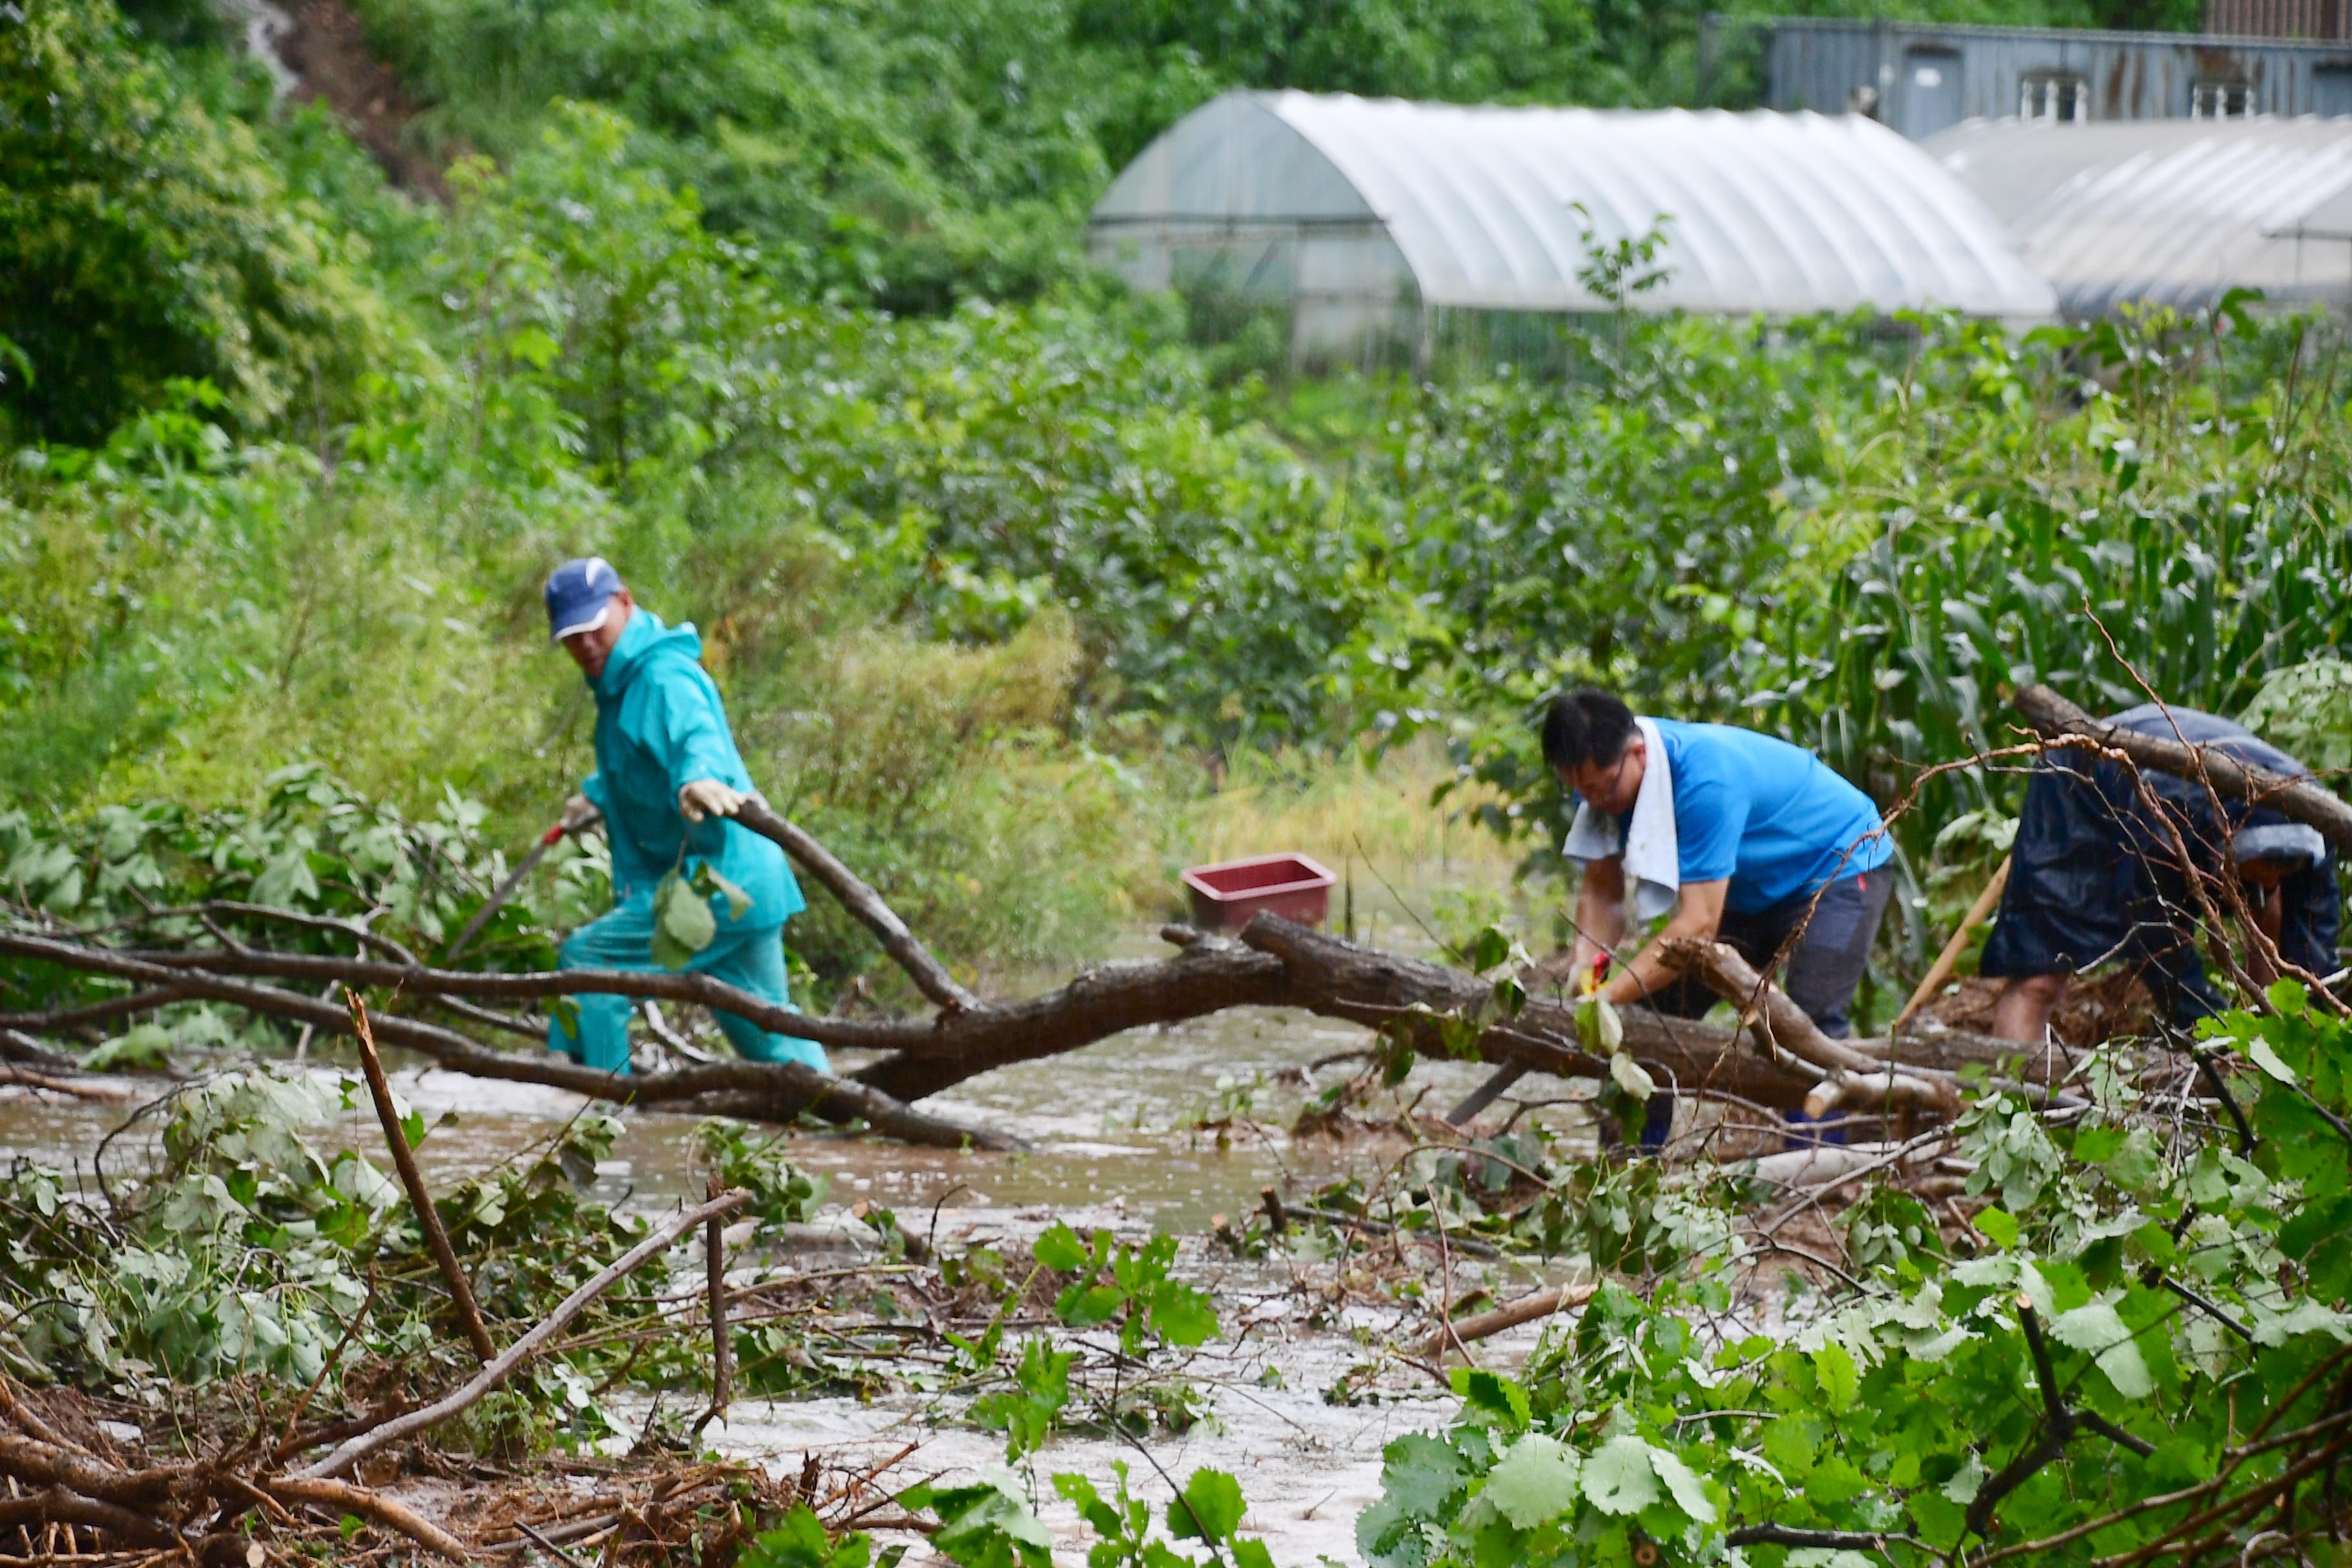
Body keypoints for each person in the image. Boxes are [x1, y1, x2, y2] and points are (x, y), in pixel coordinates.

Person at [542, 557, 826, 1075]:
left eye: (592, 626)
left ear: (624, 602)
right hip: (739, 886)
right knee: (774, 1045)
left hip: (718, 879)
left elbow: (696, 737)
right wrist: (596, 796)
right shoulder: (620, 688)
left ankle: (603, 1109)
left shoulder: (662, 674)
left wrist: (699, 778)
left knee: (589, 961)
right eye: (571, 636)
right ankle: (852, 1119)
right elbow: (639, 762)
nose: (584, 644)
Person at [1544, 688, 1896, 1040]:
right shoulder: (1600, 784)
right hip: (1747, 888)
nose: (1593, 802)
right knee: (1658, 1011)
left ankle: (1845, 1090)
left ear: (1638, 753)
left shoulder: (1706, 782)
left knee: (1810, 1024)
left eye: (1601, 790)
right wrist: (1586, 964)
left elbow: (1698, 924)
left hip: (1838, 862)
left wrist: (1610, 998)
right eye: (1580, 792)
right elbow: (1604, 892)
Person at [1983, 703, 2339, 1043]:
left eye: (2285, 869)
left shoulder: (2316, 819)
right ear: (2224, 842)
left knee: (2268, 904)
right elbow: (2158, 943)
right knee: (2040, 977)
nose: (2273, 879)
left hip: (2199, 809)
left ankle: (2269, 1024)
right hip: (2083, 784)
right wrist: (2216, 1033)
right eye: (2262, 867)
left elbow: (2314, 954)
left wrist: (2309, 1027)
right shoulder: (2171, 819)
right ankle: (2011, 1094)